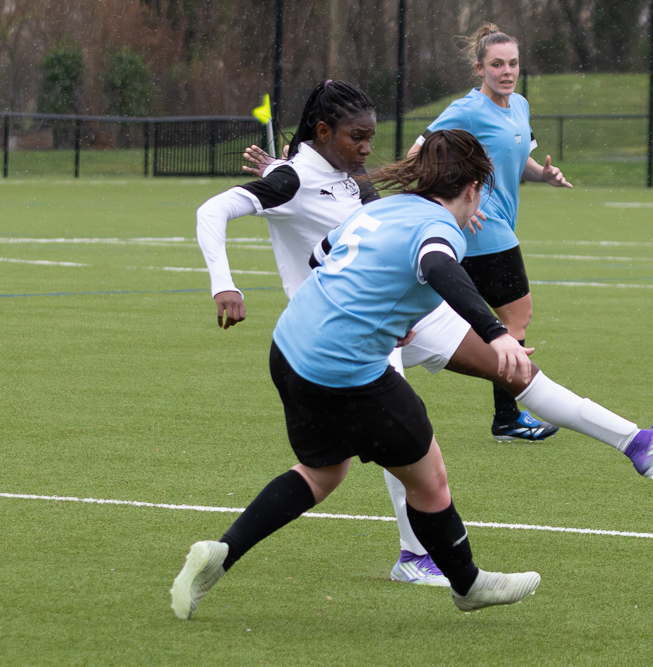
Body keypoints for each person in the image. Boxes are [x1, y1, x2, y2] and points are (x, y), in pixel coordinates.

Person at [198, 81, 653, 590]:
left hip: (395, 310)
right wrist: (226, 283)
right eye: (358, 136)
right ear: (325, 131)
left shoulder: (353, 181)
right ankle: (416, 557)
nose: (367, 148)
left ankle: (636, 443)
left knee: (513, 370)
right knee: (406, 445)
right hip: (352, 331)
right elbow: (217, 213)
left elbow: (340, 244)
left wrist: (441, 230)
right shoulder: (291, 178)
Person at [173, 129, 544, 619]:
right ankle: (467, 583)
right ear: (474, 188)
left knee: (322, 471)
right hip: (343, 367)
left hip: (290, 348)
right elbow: (438, 266)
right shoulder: (443, 228)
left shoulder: (379, 209)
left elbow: (321, 256)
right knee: (429, 479)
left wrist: (391, 319)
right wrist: (496, 333)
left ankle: (221, 554)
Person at [407, 23, 573, 442]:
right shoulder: (466, 109)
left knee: (456, 314)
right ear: (479, 69)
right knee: (516, 317)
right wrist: (444, 198)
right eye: (497, 64)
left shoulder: (519, 104)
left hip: (495, 226)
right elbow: (416, 155)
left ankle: (394, 347)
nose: (507, 71)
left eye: (513, 63)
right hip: (486, 228)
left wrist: (544, 175)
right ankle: (509, 417)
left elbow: (516, 159)